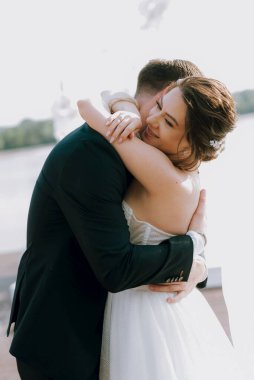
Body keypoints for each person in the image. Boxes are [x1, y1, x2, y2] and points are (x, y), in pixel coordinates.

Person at [7, 59, 207, 380]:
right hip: (64, 342)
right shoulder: (92, 154)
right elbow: (116, 267)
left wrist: (197, 267)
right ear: (160, 94)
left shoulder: (145, 156)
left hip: (116, 334)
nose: (158, 122)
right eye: (162, 110)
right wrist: (189, 253)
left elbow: (157, 229)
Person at [77, 76, 251, 379]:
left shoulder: (160, 172)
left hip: (142, 314)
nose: (152, 120)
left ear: (191, 142)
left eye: (169, 122)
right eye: (158, 105)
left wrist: (122, 108)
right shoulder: (188, 177)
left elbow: (86, 106)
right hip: (172, 308)